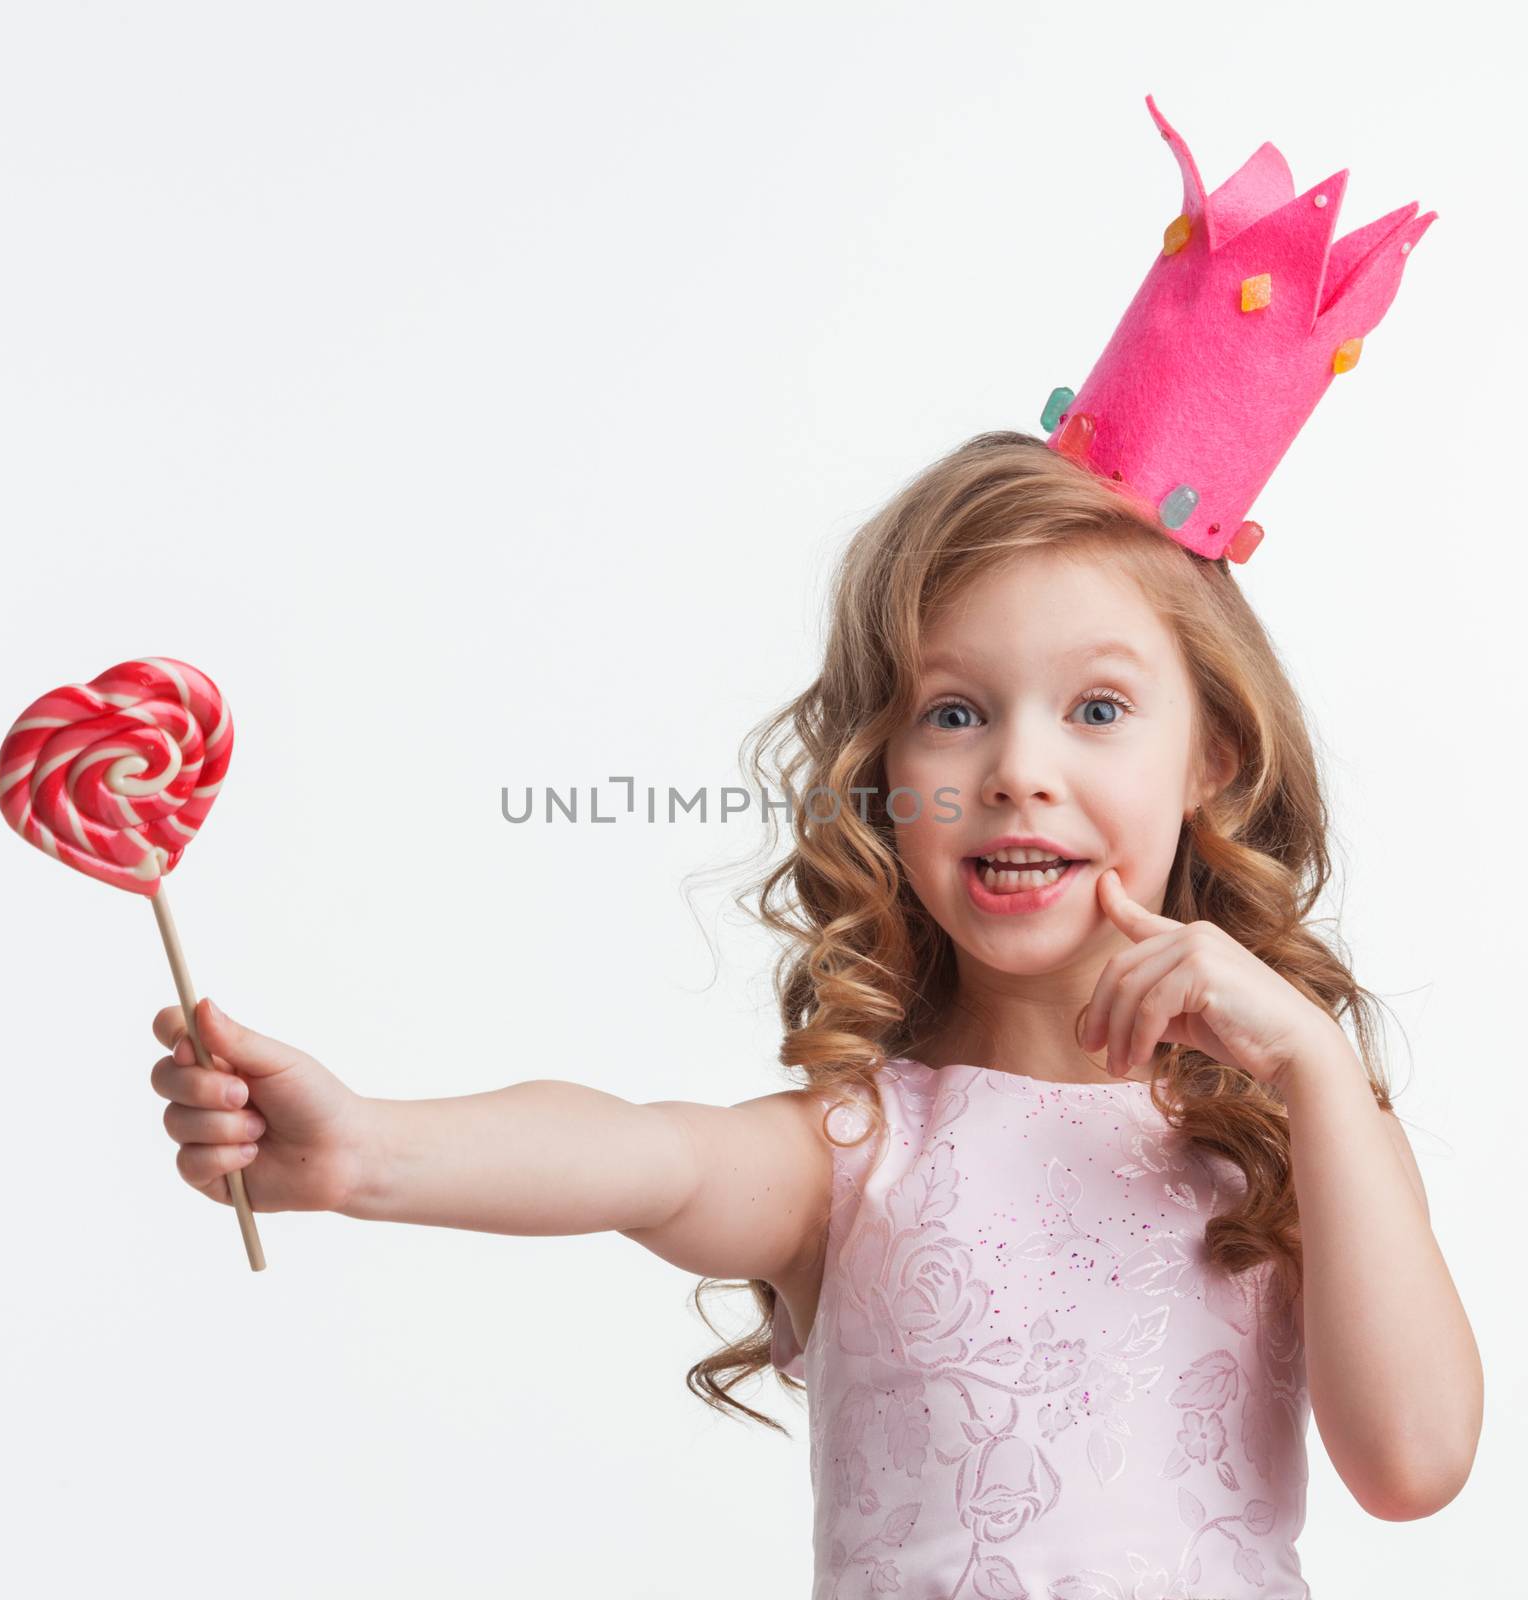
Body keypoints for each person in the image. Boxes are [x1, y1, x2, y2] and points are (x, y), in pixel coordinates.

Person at [148, 98, 1482, 1599]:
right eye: (956, 713)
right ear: (886, 773)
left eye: (1098, 707)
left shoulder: (1300, 1144)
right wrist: (370, 1149)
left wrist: (1308, 1068)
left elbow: (1416, 1463)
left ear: (1213, 759)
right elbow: (635, 1152)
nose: (1019, 771)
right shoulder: (858, 1154)